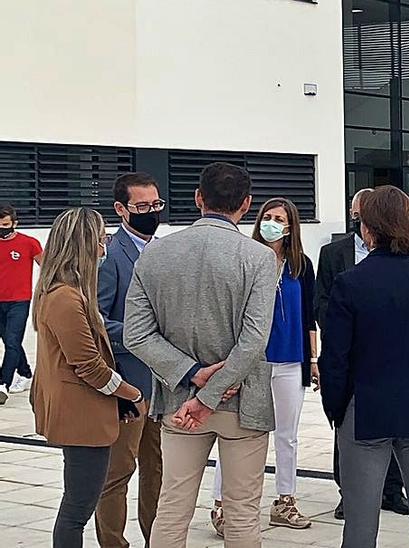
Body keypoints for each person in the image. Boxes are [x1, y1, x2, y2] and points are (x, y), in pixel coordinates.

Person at [124, 162, 280, 548]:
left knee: (172, 507)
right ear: (246, 204)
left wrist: (193, 376)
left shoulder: (156, 255)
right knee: (242, 512)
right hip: (243, 404)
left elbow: (136, 334)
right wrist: (210, 393)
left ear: (198, 199)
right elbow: (254, 339)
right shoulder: (259, 257)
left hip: (180, 401)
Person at [319, 185, 409, 548]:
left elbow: (334, 358)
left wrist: (337, 409)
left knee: (360, 521)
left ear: (367, 229)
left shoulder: (350, 283)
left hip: (364, 408)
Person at [30, 207, 145, 548]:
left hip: (83, 412)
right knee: (77, 509)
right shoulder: (65, 297)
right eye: (99, 237)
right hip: (81, 417)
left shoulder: (70, 291)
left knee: (77, 504)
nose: (104, 244)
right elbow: (89, 365)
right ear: (83, 243)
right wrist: (131, 393)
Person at [210, 198, 317, 535]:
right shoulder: (245, 258)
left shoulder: (302, 266)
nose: (271, 223)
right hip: (251, 362)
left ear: (290, 227)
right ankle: (221, 504)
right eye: (267, 217)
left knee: (287, 436)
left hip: (290, 360)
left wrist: (312, 360)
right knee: (235, 432)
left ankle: (285, 501)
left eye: (279, 219)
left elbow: (310, 317)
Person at [315, 188, 409, 519]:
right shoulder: (332, 252)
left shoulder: (399, 254)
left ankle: (392, 491)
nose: (359, 218)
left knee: (394, 423)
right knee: (346, 426)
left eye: (364, 213)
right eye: (355, 212)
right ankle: (349, 493)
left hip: (387, 353)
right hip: (348, 352)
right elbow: (322, 301)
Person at [95, 173, 166, 548]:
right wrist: (141, 332)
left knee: (158, 471)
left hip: (165, 383)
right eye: (142, 207)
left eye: (156, 205)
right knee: (119, 471)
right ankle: (113, 542)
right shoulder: (110, 257)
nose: (151, 213)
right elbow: (97, 319)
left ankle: (158, 538)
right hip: (129, 380)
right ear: (121, 209)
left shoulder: (166, 250)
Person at [0, 202, 43, 402]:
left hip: (19, 300)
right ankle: (25, 372)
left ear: (14, 223)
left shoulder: (29, 243)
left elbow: (47, 266)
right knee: (10, 340)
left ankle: (3, 383)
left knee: (12, 341)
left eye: (5, 224)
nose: (2, 229)